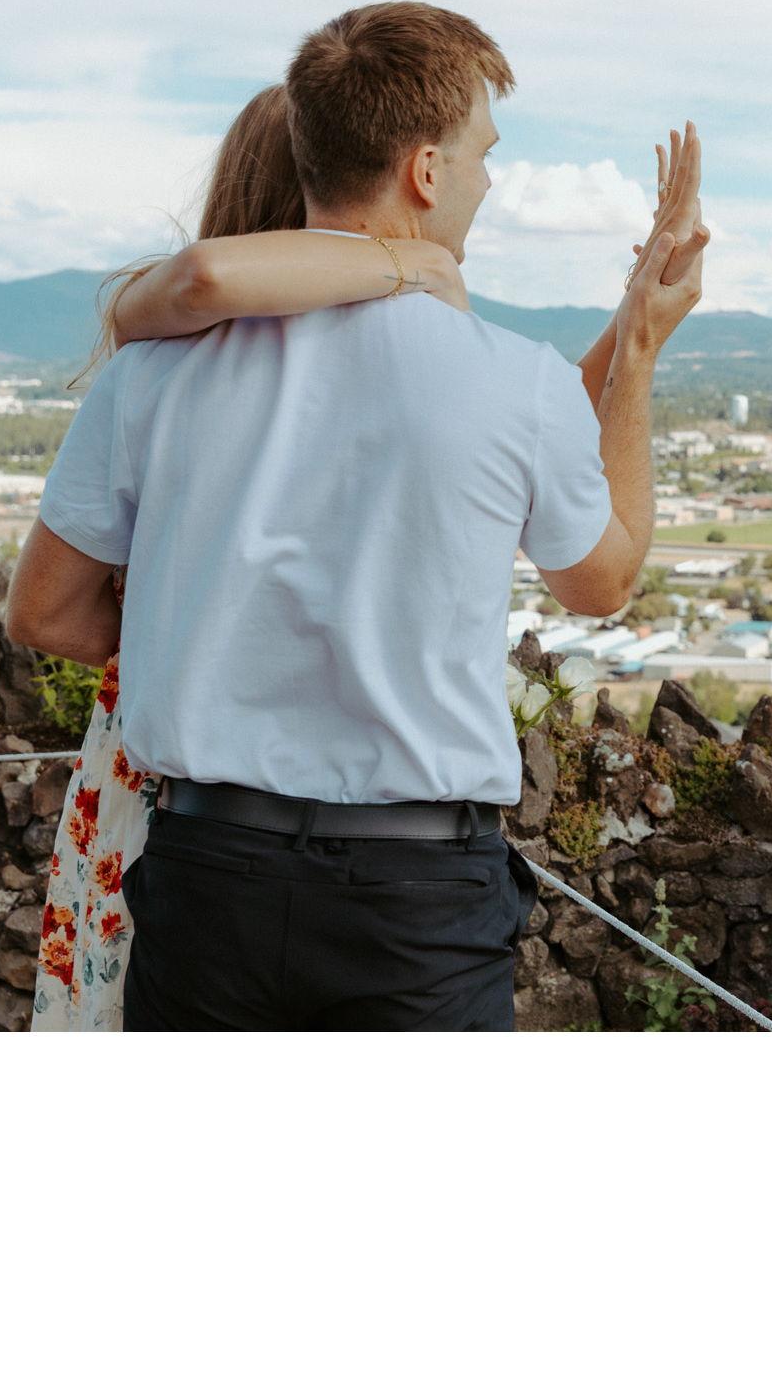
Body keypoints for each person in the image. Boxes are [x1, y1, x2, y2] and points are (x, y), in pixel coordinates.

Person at [8, 1, 708, 1030]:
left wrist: (217, 632)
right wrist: (638, 350)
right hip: (415, 903)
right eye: (481, 153)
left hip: (207, 877)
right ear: (425, 170)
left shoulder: (150, 376)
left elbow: (46, 613)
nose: (486, 180)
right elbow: (599, 579)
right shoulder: (514, 380)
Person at [29, 83, 474, 1028]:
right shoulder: (425, 363)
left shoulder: (161, 365)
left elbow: (45, 612)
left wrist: (195, 636)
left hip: (176, 791)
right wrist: (418, 266)